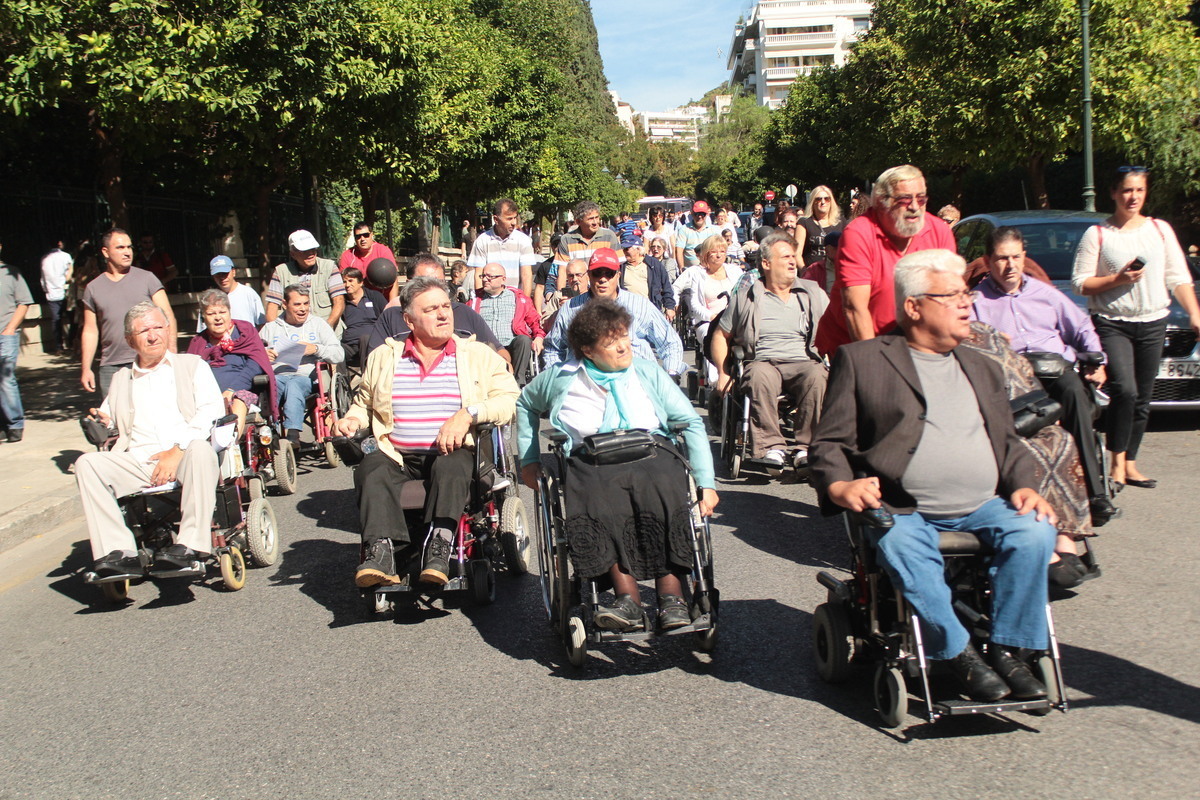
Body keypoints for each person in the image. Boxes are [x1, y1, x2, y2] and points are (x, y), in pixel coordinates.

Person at [810, 249, 1058, 702]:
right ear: (914, 306)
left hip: (984, 505)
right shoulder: (864, 361)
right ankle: (957, 652)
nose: (968, 303)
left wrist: (1024, 485)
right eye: (953, 295)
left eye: (967, 293)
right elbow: (828, 444)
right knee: (901, 544)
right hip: (906, 509)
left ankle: (1008, 649)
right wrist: (841, 485)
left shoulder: (983, 367)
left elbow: (1008, 444)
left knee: (1036, 533)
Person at [517, 300, 719, 631]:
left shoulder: (647, 370)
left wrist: (706, 484)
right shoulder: (562, 377)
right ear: (587, 349)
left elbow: (690, 422)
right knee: (597, 499)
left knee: (664, 488)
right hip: (592, 458)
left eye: (624, 335)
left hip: (650, 451)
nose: (623, 345)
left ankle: (673, 598)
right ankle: (628, 601)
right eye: (611, 341)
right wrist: (529, 459)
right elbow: (525, 402)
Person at [336, 276, 518, 588]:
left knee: (453, 464)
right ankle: (381, 553)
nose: (444, 314)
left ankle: (440, 546)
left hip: (455, 451)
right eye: (431, 309)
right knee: (371, 468)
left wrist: (468, 414)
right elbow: (364, 402)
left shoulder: (476, 355)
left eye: (446, 306)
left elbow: (508, 399)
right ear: (409, 319)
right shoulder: (384, 357)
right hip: (398, 454)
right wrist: (352, 419)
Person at [970, 226, 1116, 526]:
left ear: (1024, 257)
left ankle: (1095, 492)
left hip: (1055, 369)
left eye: (1015, 257)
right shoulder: (976, 301)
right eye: (1001, 258)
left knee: (1074, 392)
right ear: (988, 260)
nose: (1010, 265)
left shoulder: (1046, 294)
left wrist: (1097, 359)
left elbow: (1083, 328)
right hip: (1013, 376)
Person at [1071, 166, 1200, 489]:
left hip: (1154, 321)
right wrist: (1118, 279)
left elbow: (1178, 277)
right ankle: (1115, 460)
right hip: (1113, 323)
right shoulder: (1098, 234)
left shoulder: (1159, 230)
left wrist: (1195, 314)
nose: (1133, 197)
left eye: (1139, 190)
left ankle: (1130, 462)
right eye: (1127, 190)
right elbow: (1080, 284)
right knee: (1124, 390)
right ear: (1113, 193)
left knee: (1142, 396)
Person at [76, 302, 223, 580]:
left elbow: (211, 411)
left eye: (158, 327)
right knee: (87, 463)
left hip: (185, 457)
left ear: (168, 331)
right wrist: (99, 420)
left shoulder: (192, 366)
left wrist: (176, 450)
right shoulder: (122, 379)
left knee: (202, 449)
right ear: (131, 340)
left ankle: (190, 545)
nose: (153, 335)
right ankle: (119, 552)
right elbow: (109, 417)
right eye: (144, 331)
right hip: (139, 460)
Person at [712, 232, 829, 471]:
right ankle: (771, 447)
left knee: (819, 376)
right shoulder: (747, 297)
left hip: (804, 361)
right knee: (758, 377)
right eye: (785, 257)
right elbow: (720, 336)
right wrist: (723, 373)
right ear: (766, 264)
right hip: (763, 360)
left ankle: (806, 447)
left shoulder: (812, 293)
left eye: (793, 257)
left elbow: (835, 326)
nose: (792, 262)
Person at [815, 165, 956, 357]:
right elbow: (855, 309)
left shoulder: (939, 231)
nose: (915, 207)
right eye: (905, 200)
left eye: (921, 198)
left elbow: (948, 298)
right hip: (855, 343)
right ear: (882, 202)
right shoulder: (859, 233)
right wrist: (876, 367)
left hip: (917, 347)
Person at [543, 249, 685, 375]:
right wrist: (557, 381)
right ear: (589, 276)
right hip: (587, 386)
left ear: (618, 275)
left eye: (609, 273)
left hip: (637, 381)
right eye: (597, 273)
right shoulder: (570, 308)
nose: (603, 279)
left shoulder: (640, 305)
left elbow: (670, 343)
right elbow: (553, 349)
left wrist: (671, 373)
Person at [81, 229, 177, 399]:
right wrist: (86, 368)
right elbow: (90, 330)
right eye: (120, 247)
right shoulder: (93, 288)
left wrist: (171, 352)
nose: (127, 252)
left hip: (149, 359)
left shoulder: (147, 278)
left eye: (129, 247)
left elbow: (167, 316)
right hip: (111, 365)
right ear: (106, 252)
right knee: (115, 420)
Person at [368, 253, 504, 354]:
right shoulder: (391, 316)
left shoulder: (465, 313)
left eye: (440, 283)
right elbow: (374, 362)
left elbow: (499, 351)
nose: (434, 289)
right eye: (426, 283)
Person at [259, 284, 344, 443]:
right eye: (297, 304)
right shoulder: (270, 329)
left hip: (308, 378)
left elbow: (339, 354)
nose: (303, 308)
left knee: (294, 384)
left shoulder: (318, 324)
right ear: (284, 304)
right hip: (278, 376)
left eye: (306, 303)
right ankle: (271, 429)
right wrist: (263, 356)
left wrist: (316, 348)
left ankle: (292, 434)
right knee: (271, 385)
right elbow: (253, 356)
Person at [188, 289, 276, 436]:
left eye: (222, 312)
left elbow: (255, 364)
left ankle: (230, 445)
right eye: (211, 314)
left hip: (241, 391)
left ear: (229, 312)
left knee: (238, 400)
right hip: (207, 396)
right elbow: (188, 374)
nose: (218, 318)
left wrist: (231, 390)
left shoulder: (245, 331)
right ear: (203, 317)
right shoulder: (198, 342)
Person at [672, 236, 742, 384]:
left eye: (722, 251)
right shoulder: (698, 274)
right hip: (708, 321)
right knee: (712, 339)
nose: (718, 255)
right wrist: (712, 316)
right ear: (705, 255)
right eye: (714, 251)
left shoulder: (735, 272)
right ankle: (716, 380)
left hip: (733, 319)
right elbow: (695, 305)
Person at [467, 263, 545, 384]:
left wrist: (539, 337)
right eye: (483, 276)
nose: (484, 279)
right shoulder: (475, 300)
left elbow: (535, 321)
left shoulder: (518, 298)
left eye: (490, 276)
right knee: (486, 345)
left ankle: (519, 383)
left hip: (512, 344)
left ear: (503, 279)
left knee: (524, 340)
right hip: (487, 346)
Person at [264, 230, 345, 329]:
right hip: (291, 332)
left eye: (313, 249)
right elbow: (272, 307)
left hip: (326, 330)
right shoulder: (281, 272)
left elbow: (339, 301)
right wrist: (276, 332)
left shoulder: (329, 267)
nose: (311, 254)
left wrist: (327, 328)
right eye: (304, 251)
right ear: (293, 254)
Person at [466, 198, 538, 297]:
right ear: (496, 219)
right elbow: (479, 275)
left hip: (515, 299)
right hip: (489, 299)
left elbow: (526, 275)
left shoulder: (523, 241)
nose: (513, 223)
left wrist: (525, 303)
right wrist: (479, 301)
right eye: (509, 219)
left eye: (514, 218)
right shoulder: (482, 241)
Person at [1, 244, 33, 443]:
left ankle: (15, 423)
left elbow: (24, 303)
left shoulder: (12, 273)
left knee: (5, 378)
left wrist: (10, 328)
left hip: (5, 333)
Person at [553, 201, 621, 291]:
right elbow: (562, 271)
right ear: (578, 221)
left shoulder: (609, 236)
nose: (595, 222)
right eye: (590, 219)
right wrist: (563, 295)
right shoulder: (567, 239)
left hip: (603, 292)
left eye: (597, 217)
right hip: (577, 294)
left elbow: (617, 268)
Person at [197, 255, 265, 331]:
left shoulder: (248, 293)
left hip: (246, 341)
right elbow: (202, 330)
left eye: (225, 273)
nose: (222, 278)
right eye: (218, 274)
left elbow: (262, 324)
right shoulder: (208, 299)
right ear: (213, 276)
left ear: (233, 272)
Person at [339, 266, 387, 367]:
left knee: (364, 339)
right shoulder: (341, 302)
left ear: (361, 282)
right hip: (350, 346)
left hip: (373, 344)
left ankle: (366, 379)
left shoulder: (374, 296)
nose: (347, 285)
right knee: (335, 349)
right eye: (344, 282)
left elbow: (388, 318)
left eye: (351, 281)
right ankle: (342, 382)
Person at [620, 241, 674, 313]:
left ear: (638, 250)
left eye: (627, 249)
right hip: (627, 310)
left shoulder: (653, 264)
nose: (624, 251)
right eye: (623, 249)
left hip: (649, 309)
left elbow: (666, 286)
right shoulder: (621, 267)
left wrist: (669, 307)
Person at [798, 185, 845, 267]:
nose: (823, 202)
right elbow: (797, 253)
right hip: (812, 273)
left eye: (827, 199)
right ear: (813, 202)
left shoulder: (841, 222)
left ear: (831, 201)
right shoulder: (804, 222)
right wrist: (804, 271)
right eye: (818, 199)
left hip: (835, 271)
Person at [40, 240, 73, 354]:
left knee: (56, 320)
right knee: (72, 318)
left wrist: (46, 290)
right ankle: (72, 342)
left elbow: (43, 278)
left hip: (51, 293)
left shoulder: (45, 258)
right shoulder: (66, 256)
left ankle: (59, 347)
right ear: (59, 243)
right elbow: (69, 273)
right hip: (65, 292)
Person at [541, 258, 589, 330]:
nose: (575, 279)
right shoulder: (559, 296)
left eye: (578, 275)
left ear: (588, 275)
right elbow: (544, 325)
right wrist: (561, 311)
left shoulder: (594, 295)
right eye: (571, 276)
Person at [675, 200, 723, 269]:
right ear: (692, 213)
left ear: (706, 215)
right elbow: (679, 251)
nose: (700, 216)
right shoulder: (684, 229)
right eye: (697, 214)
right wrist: (681, 268)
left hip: (710, 270)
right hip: (690, 271)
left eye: (702, 214)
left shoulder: (714, 230)